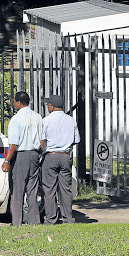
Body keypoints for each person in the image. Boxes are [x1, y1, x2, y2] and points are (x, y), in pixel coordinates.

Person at [2, 91, 43, 226]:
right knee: (32, 191)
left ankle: (17, 222)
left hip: (21, 156)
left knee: (18, 191)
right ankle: (34, 221)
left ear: (19, 103)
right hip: (34, 155)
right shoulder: (38, 117)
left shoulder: (16, 119)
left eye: (14, 101)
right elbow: (43, 139)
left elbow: (14, 143)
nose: (13, 103)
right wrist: (39, 153)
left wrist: (7, 160)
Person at [41, 94, 80, 225]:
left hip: (50, 156)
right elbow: (76, 140)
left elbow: (42, 140)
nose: (47, 107)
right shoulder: (71, 120)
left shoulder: (45, 121)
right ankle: (68, 218)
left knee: (49, 189)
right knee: (65, 188)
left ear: (51, 106)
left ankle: (51, 218)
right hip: (65, 156)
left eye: (48, 105)